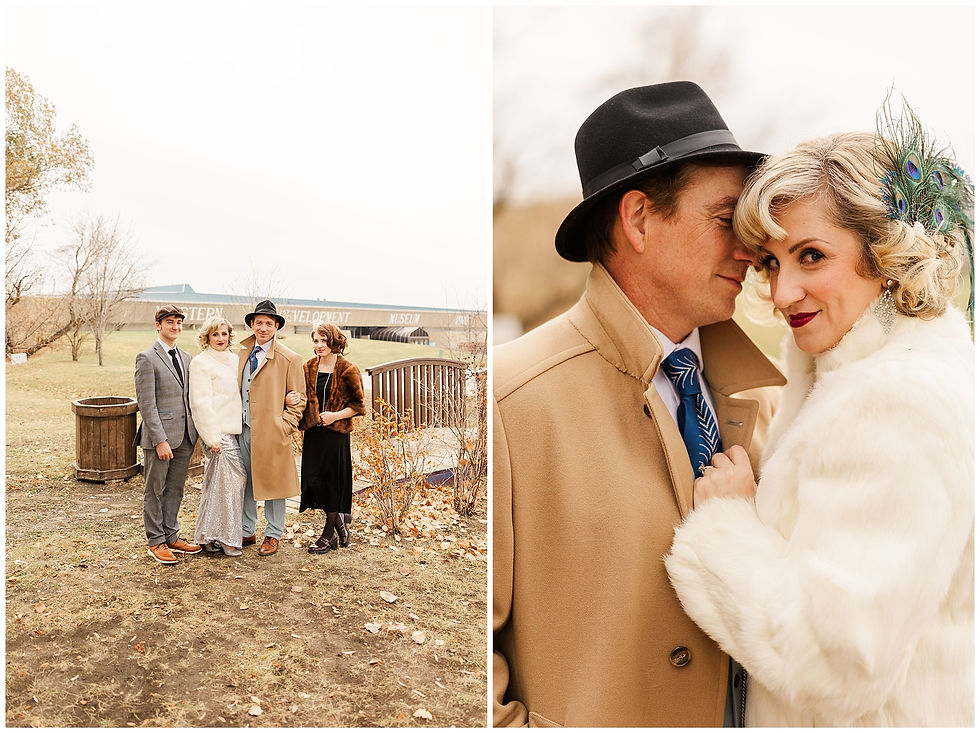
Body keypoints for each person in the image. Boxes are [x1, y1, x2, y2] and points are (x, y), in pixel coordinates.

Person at [664, 104, 974, 726]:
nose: (782, 294)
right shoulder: (864, 375)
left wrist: (725, 526)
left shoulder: (896, 404)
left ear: (886, 257)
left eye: (811, 256)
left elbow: (836, 666)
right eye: (773, 263)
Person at [493, 81, 785, 727]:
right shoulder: (511, 401)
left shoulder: (770, 397)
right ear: (639, 219)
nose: (751, 248)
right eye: (725, 219)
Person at [238, 300, 307, 557]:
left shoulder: (290, 358)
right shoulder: (241, 352)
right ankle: (247, 530)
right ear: (252, 325)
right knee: (247, 481)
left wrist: (284, 426)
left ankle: (273, 533)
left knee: (274, 483)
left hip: (272, 431)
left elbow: (299, 400)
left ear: (276, 326)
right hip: (243, 429)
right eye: (259, 323)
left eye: (269, 323)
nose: (263, 328)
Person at [134, 305, 202, 564]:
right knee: (155, 489)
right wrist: (160, 440)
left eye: (178, 322)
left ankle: (172, 534)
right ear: (158, 325)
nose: (175, 326)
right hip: (160, 438)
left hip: (185, 436)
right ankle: (156, 541)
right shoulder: (146, 358)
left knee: (175, 489)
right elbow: (147, 404)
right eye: (169, 322)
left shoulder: (186, 357)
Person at [297, 322, 366, 553]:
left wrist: (335, 416)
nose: (319, 345)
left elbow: (358, 406)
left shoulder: (348, 368)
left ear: (334, 341)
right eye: (316, 341)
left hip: (335, 436)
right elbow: (301, 396)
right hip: (314, 433)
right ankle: (340, 525)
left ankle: (328, 536)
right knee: (313, 481)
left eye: (324, 341)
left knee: (332, 484)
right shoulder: (308, 367)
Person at [188, 317, 247, 556]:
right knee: (234, 480)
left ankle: (205, 535)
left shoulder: (235, 360)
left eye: (224, 334)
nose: (221, 339)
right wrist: (212, 438)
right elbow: (201, 403)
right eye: (215, 335)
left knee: (218, 484)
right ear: (207, 338)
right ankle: (226, 536)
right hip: (216, 434)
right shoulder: (201, 363)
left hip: (233, 431)